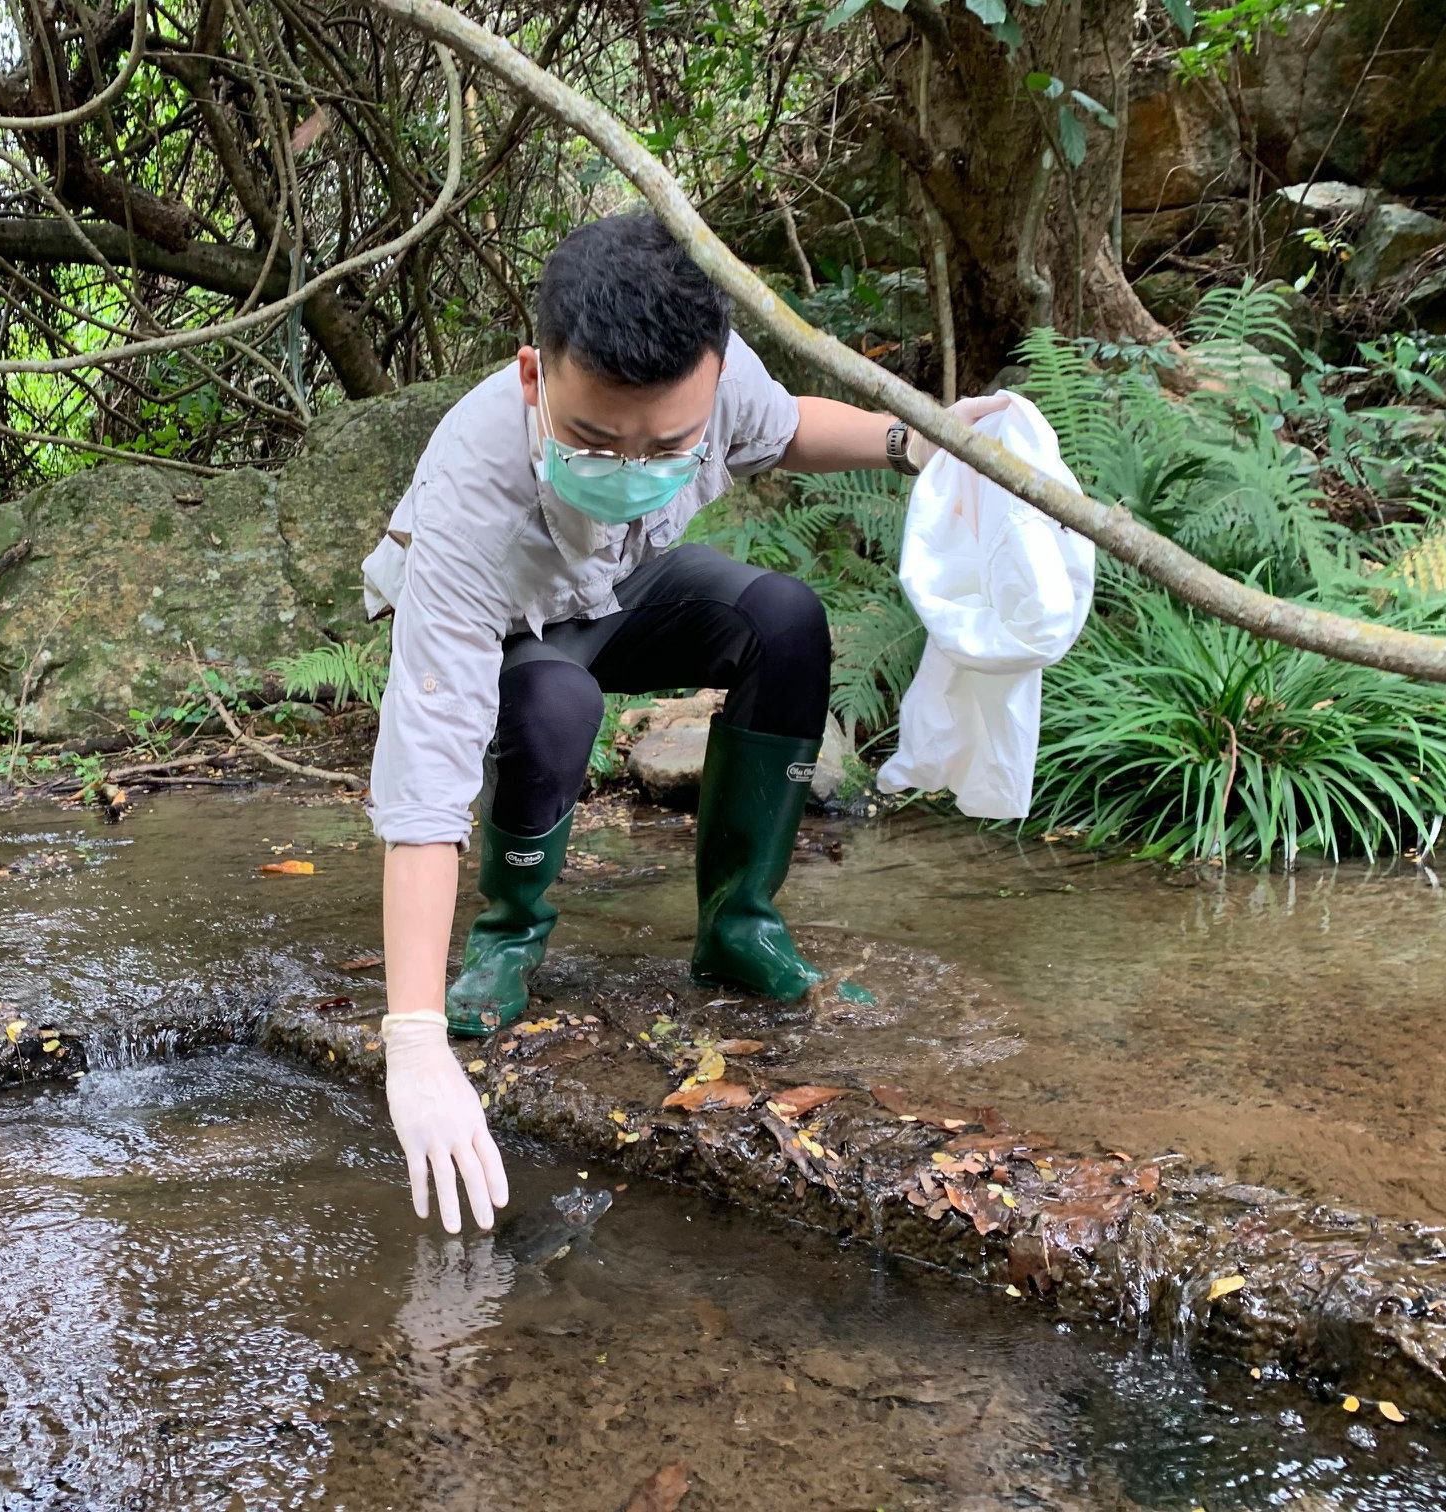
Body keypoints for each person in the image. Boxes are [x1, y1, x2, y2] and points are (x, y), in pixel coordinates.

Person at [365, 209, 1009, 1234]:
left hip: (623, 588)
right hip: (522, 625)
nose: (629, 464)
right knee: (555, 701)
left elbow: (787, 426)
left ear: (712, 379)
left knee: (785, 620)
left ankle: (737, 922)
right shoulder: (465, 503)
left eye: (667, 442)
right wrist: (412, 1037)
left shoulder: (722, 378)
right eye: (591, 438)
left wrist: (912, 443)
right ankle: (508, 933)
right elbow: (423, 787)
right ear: (536, 378)